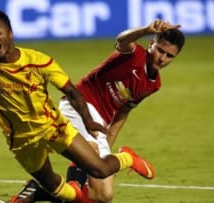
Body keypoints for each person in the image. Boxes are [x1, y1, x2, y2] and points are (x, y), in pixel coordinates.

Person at [0, 8, 155, 203]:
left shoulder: (38, 61)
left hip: (53, 127)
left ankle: (128, 158)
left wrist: (88, 121)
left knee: (99, 170)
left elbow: (72, 91)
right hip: (21, 139)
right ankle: (66, 195)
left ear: (10, 33)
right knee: (55, 187)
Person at [11, 19, 185, 203]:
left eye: (169, 56)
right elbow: (122, 40)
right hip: (80, 105)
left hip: (99, 123)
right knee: (93, 156)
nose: (162, 58)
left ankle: (39, 190)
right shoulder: (134, 55)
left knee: (102, 195)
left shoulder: (153, 85)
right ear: (151, 44)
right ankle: (127, 159)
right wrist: (146, 30)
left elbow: (123, 111)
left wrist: (107, 147)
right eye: (160, 50)